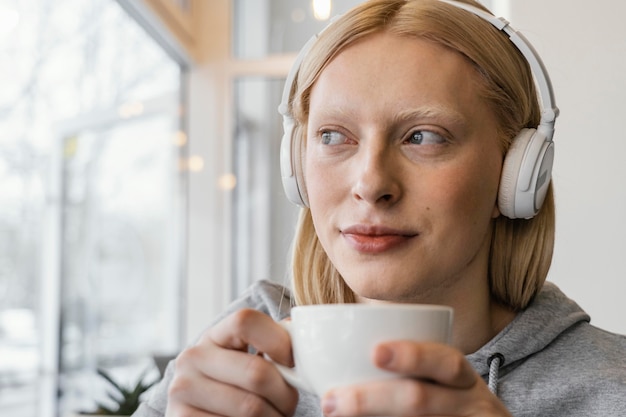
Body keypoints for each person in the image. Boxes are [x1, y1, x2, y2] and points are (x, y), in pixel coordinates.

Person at [133, 0, 626, 416]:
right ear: (297, 166)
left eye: (423, 137)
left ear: (516, 174)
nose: (371, 184)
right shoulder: (230, 359)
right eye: (333, 136)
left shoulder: (609, 388)